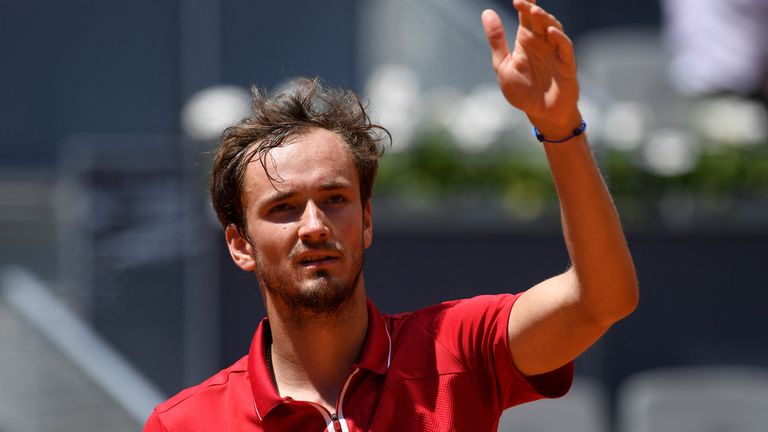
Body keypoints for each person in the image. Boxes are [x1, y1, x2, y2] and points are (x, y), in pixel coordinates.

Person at [144, 0, 638, 430]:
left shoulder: (457, 347)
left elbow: (602, 300)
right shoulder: (184, 424)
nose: (314, 226)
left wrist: (560, 128)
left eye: (335, 199)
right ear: (240, 244)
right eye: (283, 208)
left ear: (367, 222)